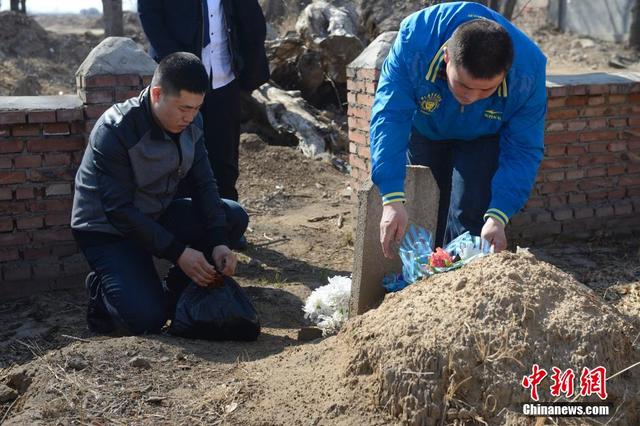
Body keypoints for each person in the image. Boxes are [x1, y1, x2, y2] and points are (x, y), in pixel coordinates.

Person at [71, 52, 249, 335]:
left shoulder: (193, 123)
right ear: (156, 94)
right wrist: (178, 252)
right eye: (183, 108)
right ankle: (104, 289)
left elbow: (205, 184)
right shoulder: (115, 130)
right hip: (107, 229)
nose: (190, 117)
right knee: (147, 320)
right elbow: (118, 210)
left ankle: (177, 287)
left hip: (156, 213)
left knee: (233, 217)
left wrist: (218, 241)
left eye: (196, 108)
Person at [370, 1, 547, 258]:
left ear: (506, 73)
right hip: (426, 130)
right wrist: (391, 199)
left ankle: (458, 282)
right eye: (463, 85)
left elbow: (523, 147)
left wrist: (499, 215)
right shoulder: (415, 42)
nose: (471, 96)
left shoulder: (527, 72)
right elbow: (390, 115)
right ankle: (420, 282)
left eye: (486, 90)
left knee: (472, 218)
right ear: (446, 57)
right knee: (425, 210)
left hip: (483, 135)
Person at [138, 0, 270, 205]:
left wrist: (250, 69)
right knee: (178, 159)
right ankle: (183, 224)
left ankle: (226, 224)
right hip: (180, 83)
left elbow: (250, 18)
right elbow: (149, 15)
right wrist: (176, 66)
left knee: (224, 160)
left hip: (224, 78)